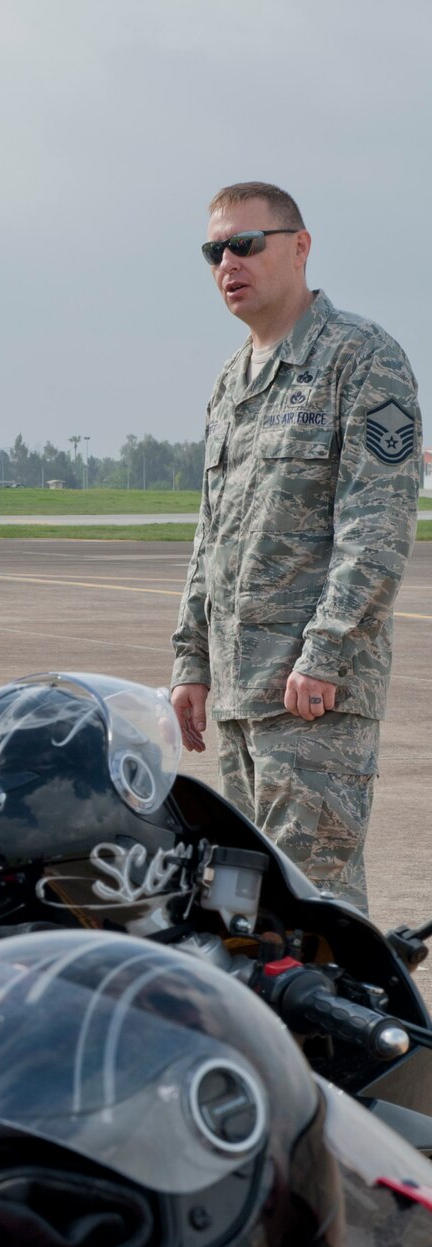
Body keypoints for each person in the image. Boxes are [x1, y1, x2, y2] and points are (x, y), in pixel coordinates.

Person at [170, 182, 421, 911]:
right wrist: (191, 659)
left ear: (299, 247)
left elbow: (375, 525)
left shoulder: (359, 358)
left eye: (245, 245)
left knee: (315, 910)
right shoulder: (231, 379)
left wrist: (324, 652)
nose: (227, 263)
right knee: (246, 914)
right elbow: (210, 530)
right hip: (243, 700)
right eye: (213, 251)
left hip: (313, 700)